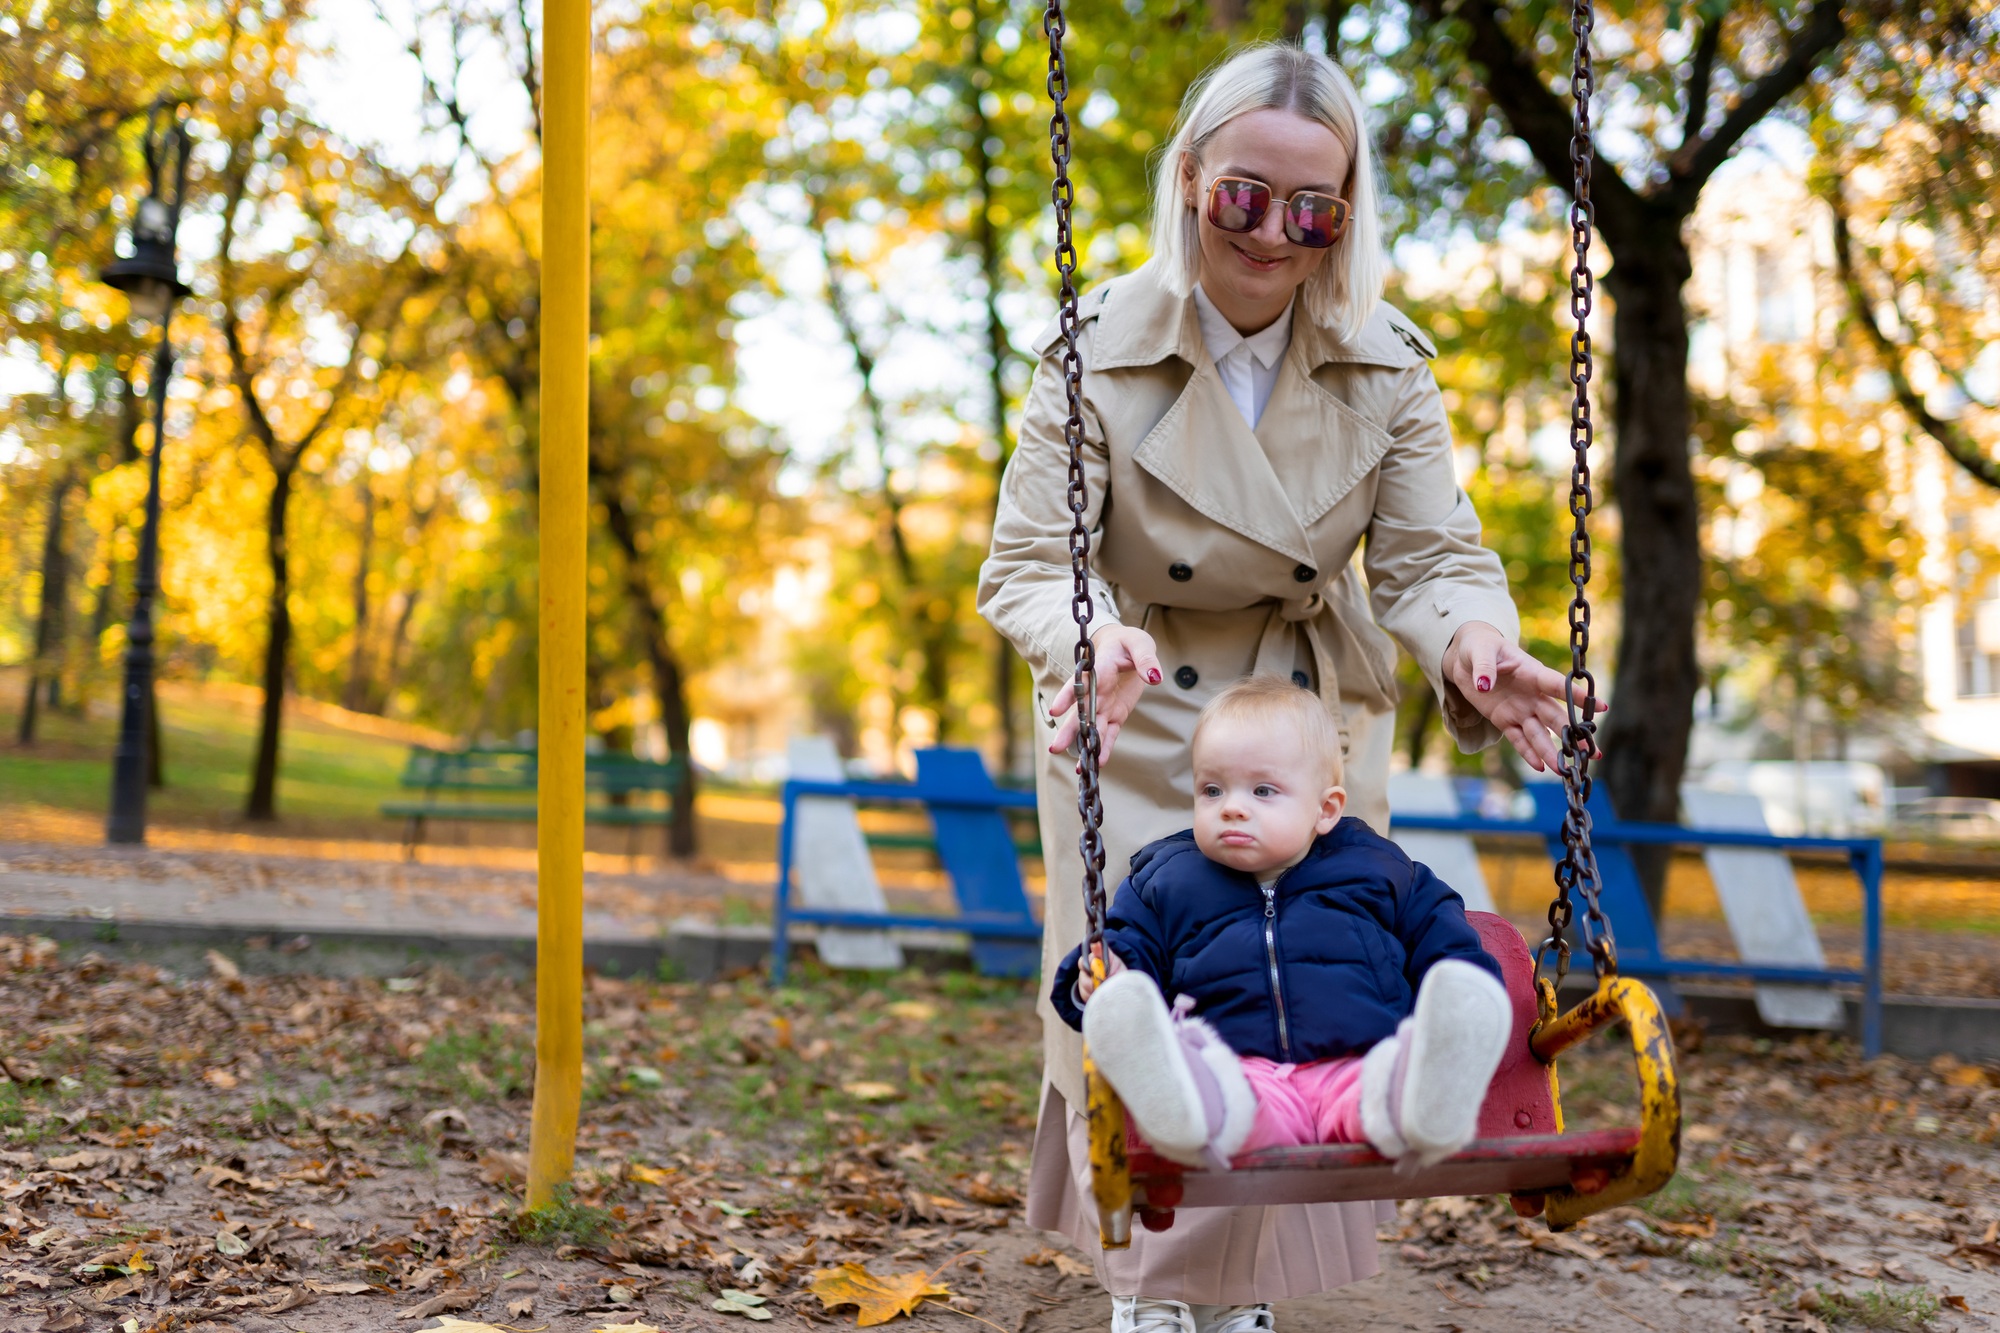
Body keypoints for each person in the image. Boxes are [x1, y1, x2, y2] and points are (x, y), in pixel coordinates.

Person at [977, 38, 1599, 1333]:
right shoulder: (1094, 353)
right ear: (1191, 176)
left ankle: (1246, 1291)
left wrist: (1475, 643)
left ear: (1347, 214)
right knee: (1160, 996)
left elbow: (1434, 556)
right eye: (1242, 197)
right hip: (1141, 704)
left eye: (1314, 210)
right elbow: (1031, 563)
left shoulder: (1384, 362)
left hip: (1305, 719)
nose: (1272, 235)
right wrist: (1080, 634)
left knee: (1300, 990)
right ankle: (1151, 1292)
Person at [1049, 676, 1512, 1184]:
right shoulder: (1167, 879)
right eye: (1211, 789)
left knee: (1383, 1094)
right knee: (1224, 1101)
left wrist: (1464, 989)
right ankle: (1184, 1107)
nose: (1232, 805)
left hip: (1358, 1061)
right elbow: (1129, 940)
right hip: (1241, 1072)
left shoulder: (1378, 867)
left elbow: (1439, 933)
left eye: (1263, 790)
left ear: (1326, 808)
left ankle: (1424, 1102)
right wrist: (1107, 970)